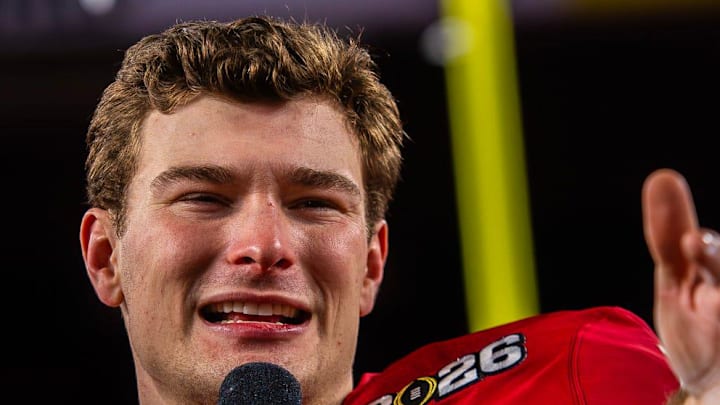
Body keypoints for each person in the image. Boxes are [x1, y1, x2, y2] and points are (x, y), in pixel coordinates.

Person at [77, 14, 716, 405]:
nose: (265, 244)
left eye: (315, 203)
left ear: (371, 264)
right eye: (204, 199)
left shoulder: (564, 378)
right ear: (106, 257)